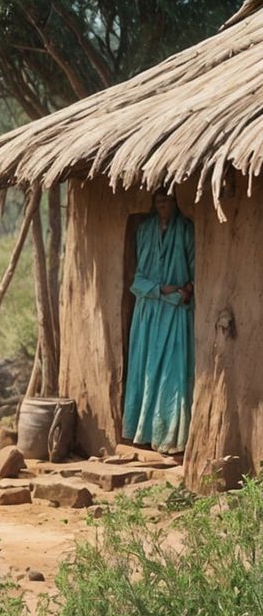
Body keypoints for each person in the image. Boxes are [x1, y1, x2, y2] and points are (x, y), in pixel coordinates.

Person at [123, 189, 195, 454]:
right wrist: (160, 289)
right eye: (159, 201)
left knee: (172, 375)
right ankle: (143, 431)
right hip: (148, 312)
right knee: (147, 370)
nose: (163, 205)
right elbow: (138, 275)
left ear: (177, 203)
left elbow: (196, 269)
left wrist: (186, 288)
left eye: (168, 200)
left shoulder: (186, 230)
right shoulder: (145, 231)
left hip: (175, 312)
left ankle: (171, 437)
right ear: (154, 204)